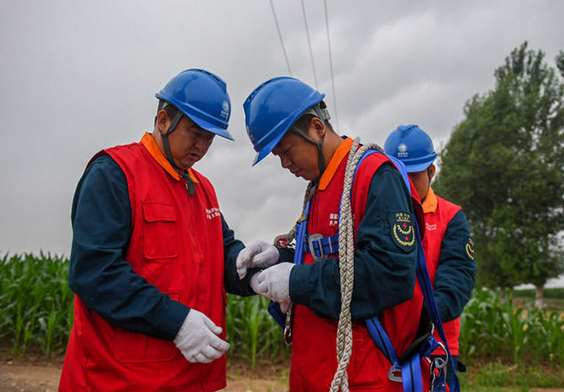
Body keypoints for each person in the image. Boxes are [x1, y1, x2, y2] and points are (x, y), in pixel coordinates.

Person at [58, 69, 261, 391]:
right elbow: (95, 272)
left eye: (210, 137)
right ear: (164, 120)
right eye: (196, 132)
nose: (202, 145)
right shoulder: (115, 173)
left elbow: (222, 252)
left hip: (190, 377)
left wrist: (256, 273)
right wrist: (175, 322)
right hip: (121, 378)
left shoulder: (201, 186)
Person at [237, 76, 432, 391]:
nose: (286, 164)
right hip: (313, 371)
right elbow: (325, 252)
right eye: (277, 157)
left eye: (287, 150)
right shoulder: (320, 185)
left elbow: (390, 273)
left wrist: (295, 280)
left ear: (316, 127)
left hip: (364, 375)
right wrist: (281, 255)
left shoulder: (373, 177)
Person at [384, 124, 477, 388]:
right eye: (398, 177)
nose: (406, 186)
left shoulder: (451, 217)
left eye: (413, 176)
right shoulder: (377, 217)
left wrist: (416, 319)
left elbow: (458, 279)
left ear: (431, 172)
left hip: (436, 345)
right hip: (385, 344)